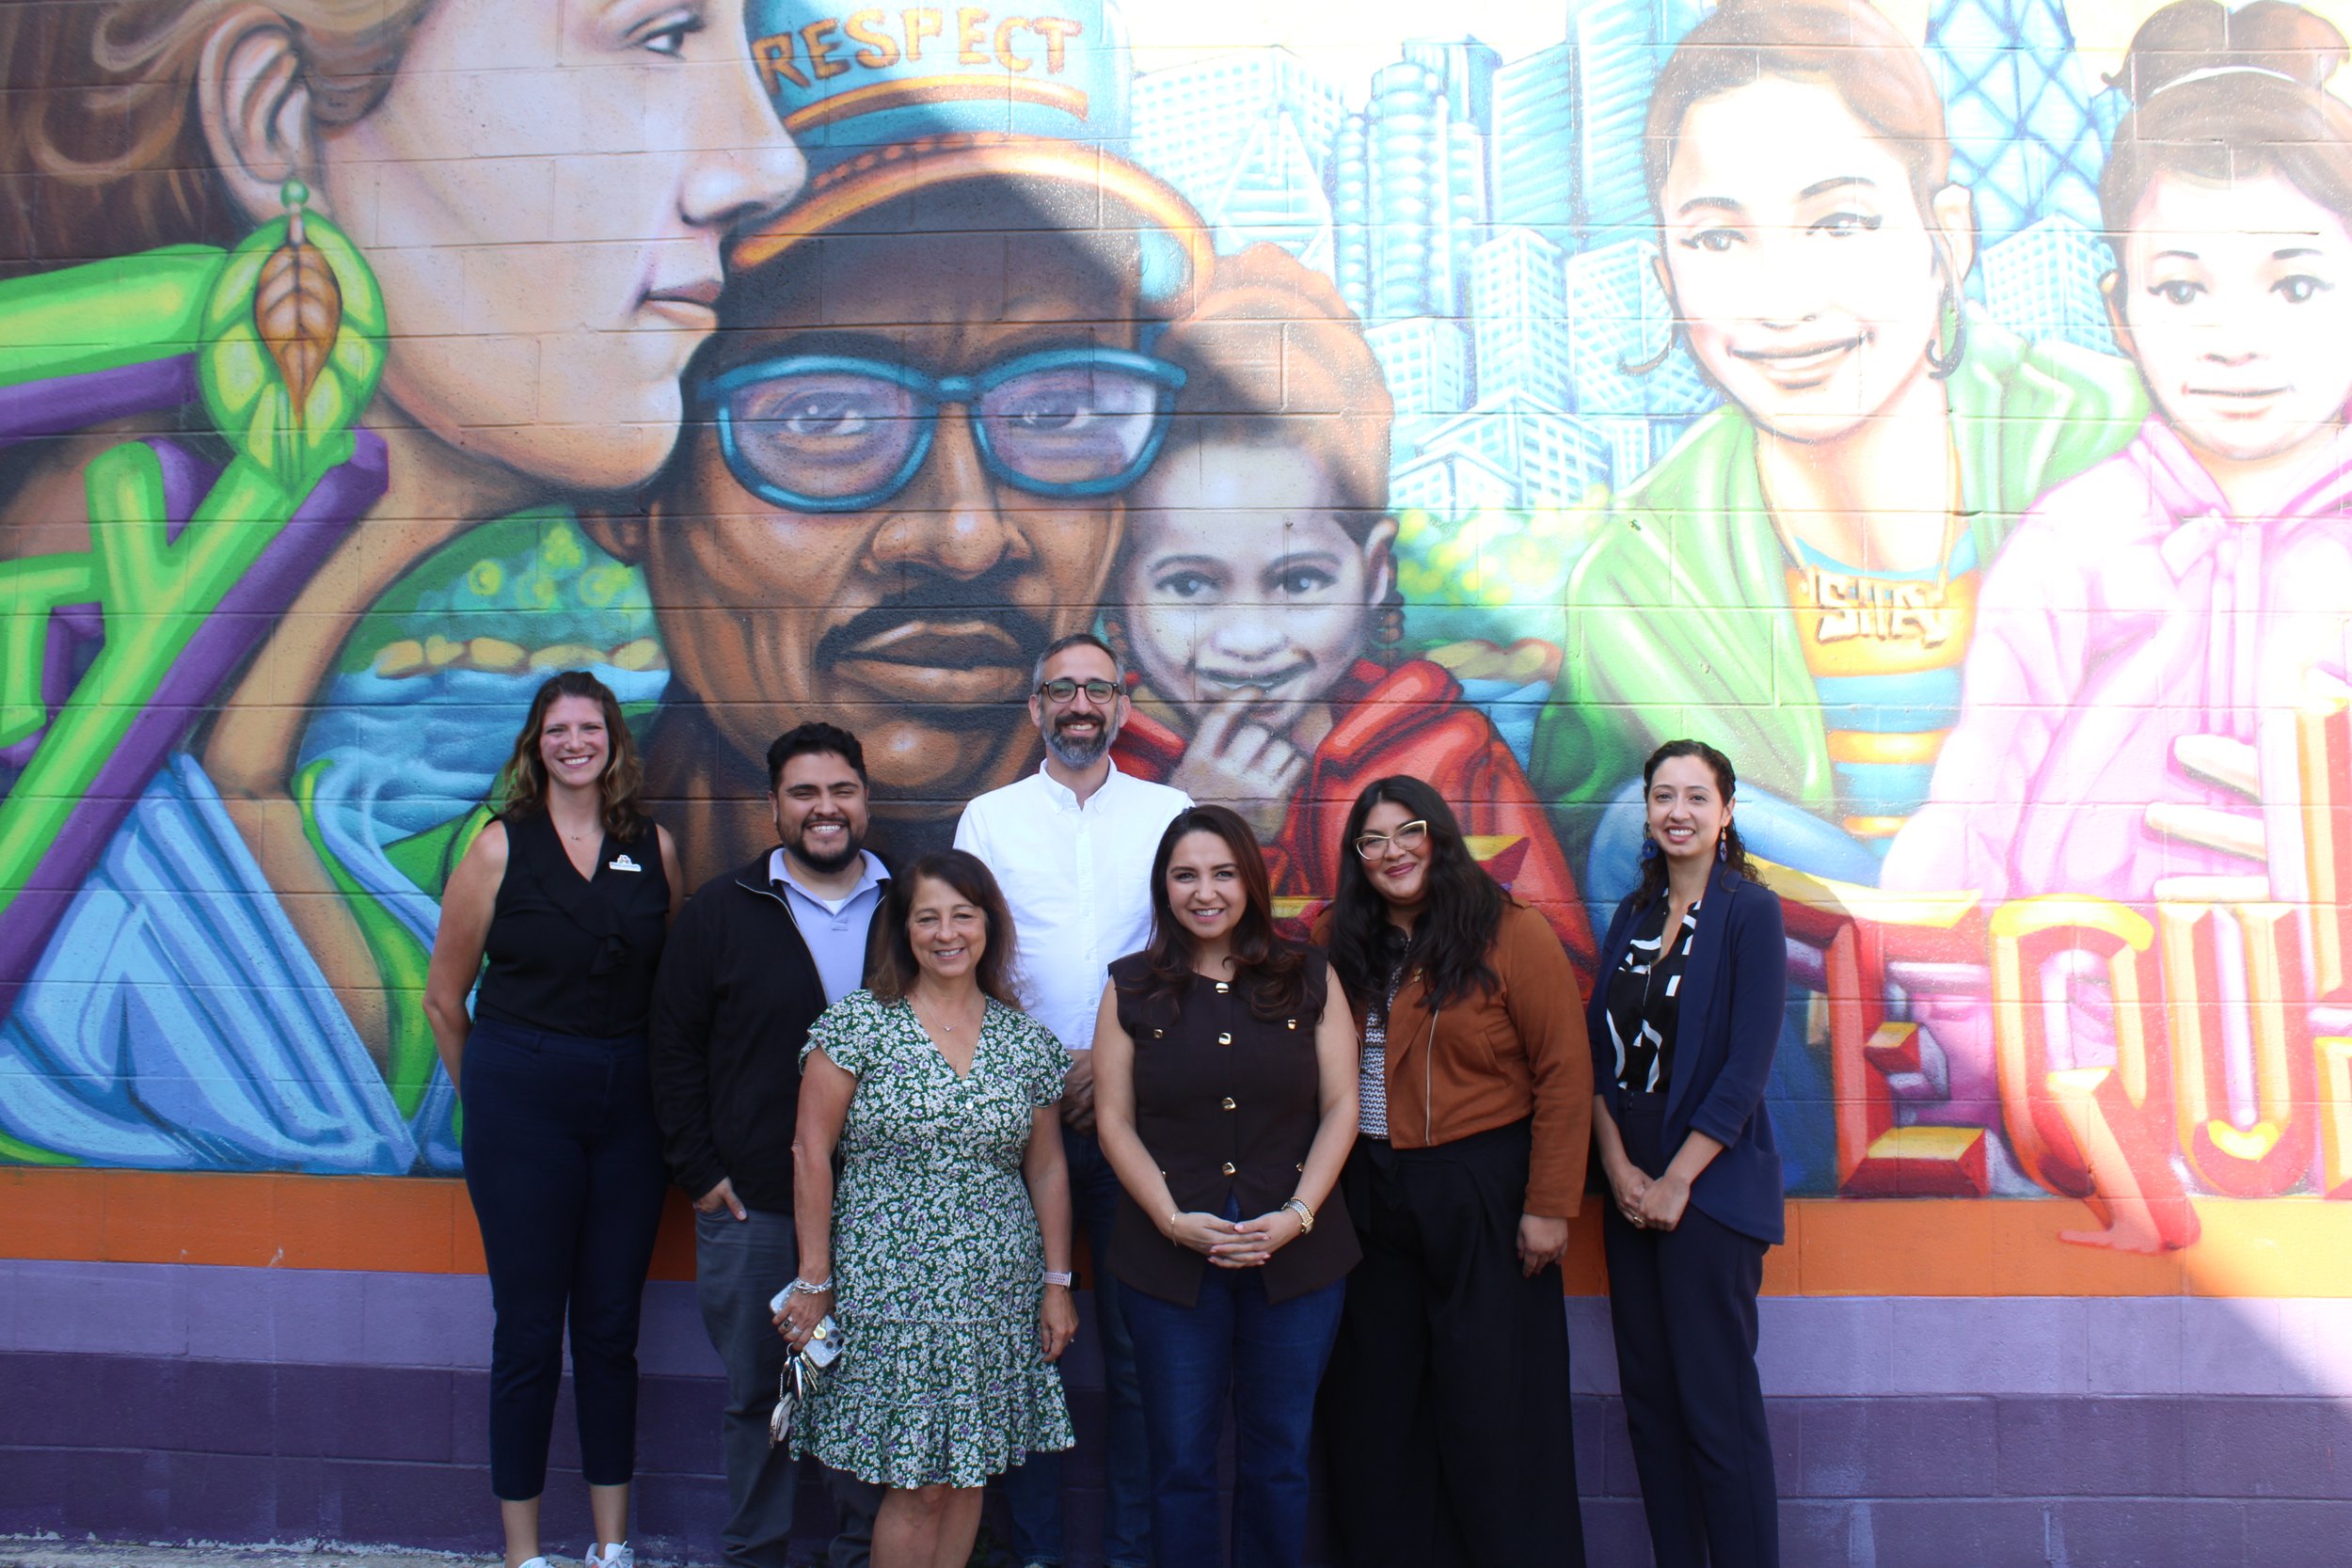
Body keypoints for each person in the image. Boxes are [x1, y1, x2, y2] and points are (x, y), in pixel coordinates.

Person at [0, 0, 805, 1173]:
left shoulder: (295, 775)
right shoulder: (80, 637)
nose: (770, 164)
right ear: (279, 121)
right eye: (660, 35)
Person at [1882, 0, 2352, 1248]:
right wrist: (2020, 1085)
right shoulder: (2076, 543)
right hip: (2088, 1101)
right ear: (2121, 306)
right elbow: (1960, 841)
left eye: (2297, 282)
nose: (2236, 337)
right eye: (2182, 285)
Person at [581, 0, 1214, 879]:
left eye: (1057, 412)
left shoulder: (1162, 884)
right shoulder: (436, 897)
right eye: (825, 417)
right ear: (626, 484)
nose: (967, 537)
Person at [1529, 0, 2146, 874]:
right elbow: (1572, 867)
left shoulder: (2119, 443)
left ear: (1947, 239)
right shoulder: (1638, 579)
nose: (1781, 299)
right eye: (1717, 238)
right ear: (1668, 279)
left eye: (1840, 222)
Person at [1104, 244, 1595, 974]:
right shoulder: (1102, 770)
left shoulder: (1444, 755)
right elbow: (1068, 982)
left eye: (1299, 581)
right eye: (1191, 586)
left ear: (1373, 572)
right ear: (1119, 584)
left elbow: (1556, 981)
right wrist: (1196, 826)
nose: (1249, 638)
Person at [421, 671, 685, 1568]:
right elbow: (443, 998)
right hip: (522, 1103)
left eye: (590, 727)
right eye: (558, 729)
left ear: (613, 739)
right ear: (536, 745)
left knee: (610, 1330)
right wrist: (495, 1102)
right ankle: (524, 1553)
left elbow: (669, 990)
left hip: (628, 1111)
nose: (576, 742)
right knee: (530, 1332)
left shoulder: (654, 846)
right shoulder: (499, 846)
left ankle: (612, 1546)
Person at [1314, 776, 1593, 1568]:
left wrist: (1549, 1205)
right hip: (1368, 1192)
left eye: (1409, 831)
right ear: (1357, 856)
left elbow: (1565, 1073)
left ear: (1439, 834)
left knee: (1495, 1405)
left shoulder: (1510, 932)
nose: (1393, 852)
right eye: (1373, 840)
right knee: (1378, 1407)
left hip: (1482, 1189)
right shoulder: (1337, 937)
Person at [955, 631, 1188, 1568]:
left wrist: (1107, 1062)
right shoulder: (990, 818)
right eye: (1061, 689)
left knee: (1138, 1358)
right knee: (1024, 1353)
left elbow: (1187, 951)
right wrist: (1050, 1071)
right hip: (1022, 1126)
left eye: (1097, 688)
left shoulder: (1171, 813)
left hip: (1143, 1123)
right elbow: (967, 956)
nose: (1080, 705)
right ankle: (1037, 1554)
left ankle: (1130, 1554)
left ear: (1123, 705)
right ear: (1036, 707)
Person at [777, 850, 1080, 1568]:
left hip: (994, 1291)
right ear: (903, 930)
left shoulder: (1024, 1041)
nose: (947, 933)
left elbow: (1046, 1168)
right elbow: (810, 1151)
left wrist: (1057, 1283)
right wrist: (815, 1278)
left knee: (965, 1469)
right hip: (892, 1291)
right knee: (917, 1482)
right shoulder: (857, 1026)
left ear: (988, 925)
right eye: (928, 917)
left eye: (962, 915)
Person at [1091, 805, 1361, 1568]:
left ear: (1250, 880)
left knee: (1279, 1456)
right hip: (1168, 1265)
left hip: (1298, 1261)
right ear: (1163, 887)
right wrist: (1172, 1219)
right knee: (1179, 1460)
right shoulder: (1130, 986)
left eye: (1222, 873)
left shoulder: (1308, 973)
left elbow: (1342, 1105)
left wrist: (1299, 1214)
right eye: (1185, 875)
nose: (1204, 891)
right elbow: (1113, 1121)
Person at [648, 722, 888, 1567]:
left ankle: (864, 1551)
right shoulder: (722, 910)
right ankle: (756, 1552)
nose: (826, 808)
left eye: (842, 790)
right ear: (774, 806)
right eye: (804, 792)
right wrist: (699, 1170)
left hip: (883, 1206)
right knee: (758, 1394)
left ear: (865, 798)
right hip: (752, 1204)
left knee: (868, 1391)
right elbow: (672, 1046)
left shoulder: (910, 907)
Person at [1589, 740, 1786, 1568]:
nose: (1679, 811)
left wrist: (1675, 1178)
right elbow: (1596, 1060)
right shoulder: (1632, 916)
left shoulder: (1750, 913)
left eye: (1697, 797)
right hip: (1629, 1185)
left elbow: (1746, 1066)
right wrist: (1619, 1170)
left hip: (1709, 1185)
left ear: (1726, 812)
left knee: (1716, 1408)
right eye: (1663, 795)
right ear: (1647, 810)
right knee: (1651, 1403)